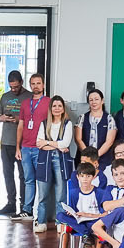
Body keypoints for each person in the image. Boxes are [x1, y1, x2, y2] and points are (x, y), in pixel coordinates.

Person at [55, 158, 110, 248]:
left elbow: (105, 214)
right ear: (78, 177)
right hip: (78, 222)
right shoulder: (74, 193)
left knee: (102, 224)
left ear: (93, 177)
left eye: (88, 176)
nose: (85, 179)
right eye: (82, 176)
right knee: (60, 216)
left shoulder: (99, 192)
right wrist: (71, 213)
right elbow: (72, 210)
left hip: (94, 221)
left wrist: (88, 215)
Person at [33, 93, 75, 232]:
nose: (57, 108)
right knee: (43, 195)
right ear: (50, 108)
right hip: (45, 161)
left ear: (63, 109)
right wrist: (57, 145)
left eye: (59, 106)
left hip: (61, 161)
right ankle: (41, 222)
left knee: (61, 195)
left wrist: (47, 143)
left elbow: (65, 143)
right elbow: (39, 143)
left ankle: (60, 222)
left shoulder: (67, 124)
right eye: (54, 106)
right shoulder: (44, 123)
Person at [0, 71, 26, 217]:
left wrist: (19, 120)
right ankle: (11, 203)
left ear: (21, 83)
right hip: (6, 142)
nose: (14, 89)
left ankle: (24, 205)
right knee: (8, 174)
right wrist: (2, 118)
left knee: (24, 176)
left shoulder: (29, 97)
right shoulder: (5, 97)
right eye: (11, 87)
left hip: (23, 143)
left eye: (16, 87)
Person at [78, 87, 119, 173]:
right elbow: (78, 139)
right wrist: (87, 156)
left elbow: (109, 142)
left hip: (104, 160)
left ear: (102, 101)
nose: (94, 102)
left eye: (96, 99)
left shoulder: (109, 118)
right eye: (91, 100)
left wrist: (95, 157)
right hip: (84, 160)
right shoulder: (82, 117)